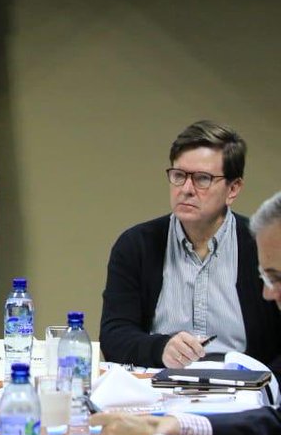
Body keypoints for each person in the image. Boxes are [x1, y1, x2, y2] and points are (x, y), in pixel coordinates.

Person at [94, 189, 281, 435]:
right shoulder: (137, 243)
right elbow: (276, 422)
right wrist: (183, 426)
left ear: (233, 187)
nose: (268, 294)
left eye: (277, 278)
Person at [100, 120, 281, 373]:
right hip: (160, 385)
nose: (186, 189)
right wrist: (161, 348)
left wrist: (263, 384)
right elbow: (114, 335)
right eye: (179, 176)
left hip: (246, 388)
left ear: (233, 189)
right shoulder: (136, 245)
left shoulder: (262, 245)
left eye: (202, 179)